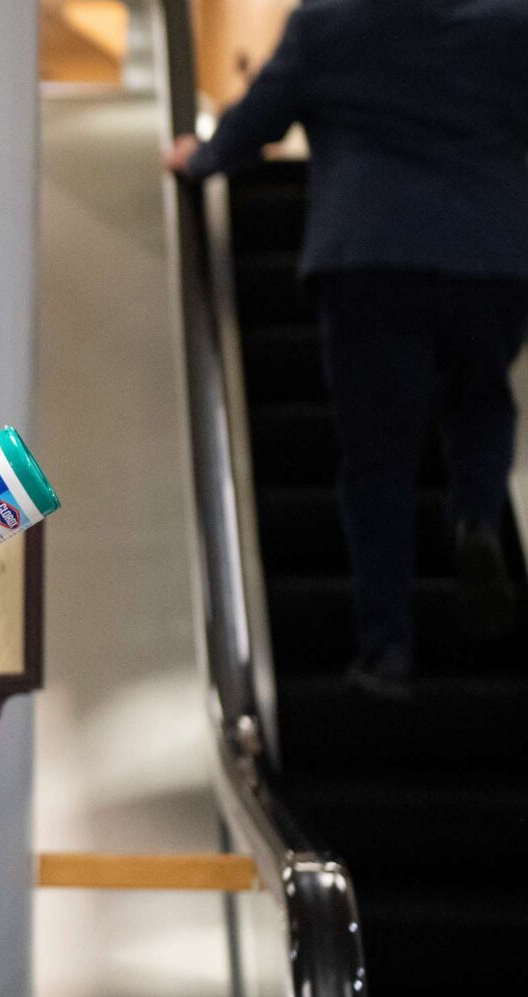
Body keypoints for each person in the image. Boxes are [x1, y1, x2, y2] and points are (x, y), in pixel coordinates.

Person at [166, 0, 528, 697]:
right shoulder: (512, 24)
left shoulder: (328, 25)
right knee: (482, 393)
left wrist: (203, 159)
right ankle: (479, 515)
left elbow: (257, 121)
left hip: (372, 255)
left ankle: (386, 647)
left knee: (379, 457)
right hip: (494, 253)